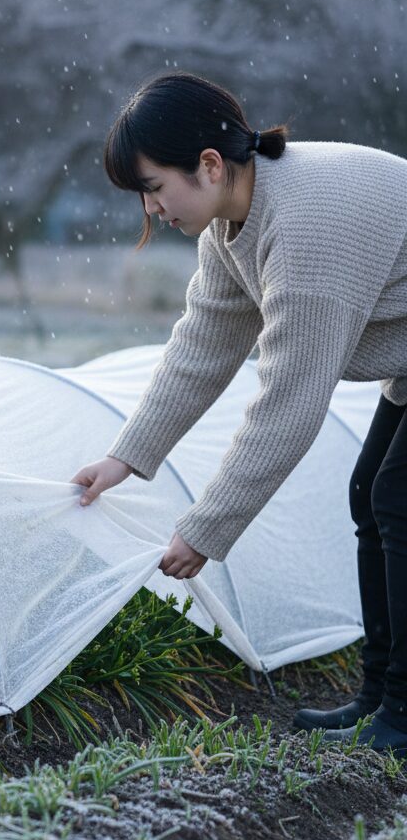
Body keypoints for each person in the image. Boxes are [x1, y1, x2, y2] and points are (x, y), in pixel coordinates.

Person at [69, 70, 407, 755]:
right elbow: (202, 348)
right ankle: (380, 698)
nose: (152, 210)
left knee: (397, 498)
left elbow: (290, 400)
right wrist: (125, 457)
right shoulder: (231, 229)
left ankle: (402, 716)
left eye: (154, 187)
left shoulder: (307, 224)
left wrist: (205, 529)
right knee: (371, 497)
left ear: (211, 165)